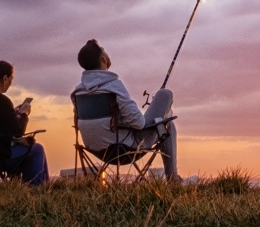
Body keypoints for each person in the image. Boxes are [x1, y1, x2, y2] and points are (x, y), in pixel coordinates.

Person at [71, 39, 179, 180]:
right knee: (165, 95)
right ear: (103, 59)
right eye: (104, 50)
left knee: (166, 124)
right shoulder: (113, 86)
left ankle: (173, 177)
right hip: (124, 149)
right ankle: (173, 179)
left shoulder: (77, 93)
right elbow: (139, 123)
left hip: (95, 149)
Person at [0, 60, 49, 186]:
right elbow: (18, 132)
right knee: (37, 149)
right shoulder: (2, 101)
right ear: (5, 78)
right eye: (11, 79)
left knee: (25, 152)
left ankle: (23, 187)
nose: (11, 83)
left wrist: (12, 113)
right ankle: (36, 189)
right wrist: (23, 114)